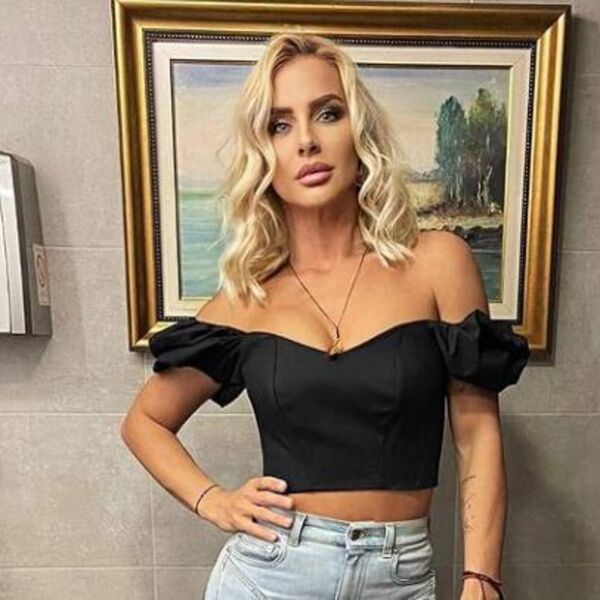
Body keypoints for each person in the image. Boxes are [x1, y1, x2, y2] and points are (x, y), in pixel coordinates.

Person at [121, 32, 529, 600]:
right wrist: (214, 501)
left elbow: (477, 433)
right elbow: (144, 422)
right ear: (263, 154)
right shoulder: (247, 297)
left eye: (328, 113)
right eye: (279, 125)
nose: (307, 141)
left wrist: (481, 578)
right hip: (269, 574)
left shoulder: (439, 262)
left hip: (399, 576)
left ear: (359, 131)